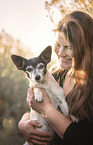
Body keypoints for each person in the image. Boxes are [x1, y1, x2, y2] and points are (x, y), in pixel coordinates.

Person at [18, 10, 93, 145]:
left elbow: (83, 140)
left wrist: (47, 109)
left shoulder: (90, 85)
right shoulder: (55, 75)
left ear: (84, 48)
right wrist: (23, 123)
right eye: (58, 45)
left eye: (68, 47)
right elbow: (34, 109)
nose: (60, 53)